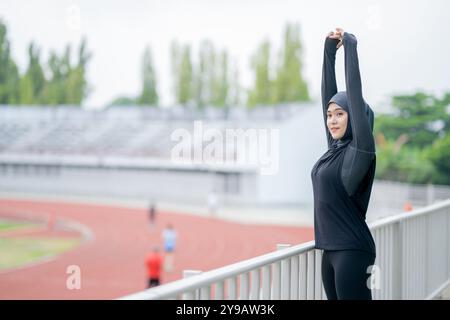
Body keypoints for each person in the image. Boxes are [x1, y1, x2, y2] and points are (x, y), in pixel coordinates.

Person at [311, 28, 377, 300]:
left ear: (356, 117)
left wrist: (350, 46)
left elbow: (354, 90)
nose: (332, 120)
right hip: (331, 251)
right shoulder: (334, 150)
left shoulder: (359, 151)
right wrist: (328, 51)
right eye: (329, 115)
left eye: (340, 113)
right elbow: (328, 90)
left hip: (353, 252)